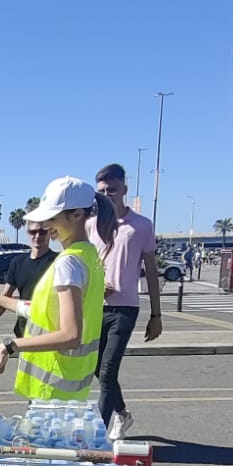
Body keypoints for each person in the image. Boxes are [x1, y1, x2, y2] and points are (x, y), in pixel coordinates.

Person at [0, 178, 115, 403]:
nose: (46, 225)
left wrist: (11, 345)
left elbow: (70, 335)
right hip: (70, 384)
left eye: (52, 218)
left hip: (53, 387)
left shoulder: (68, 262)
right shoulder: (89, 256)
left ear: (77, 215)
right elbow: (42, 310)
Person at [89, 163, 162, 438]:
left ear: (124, 191)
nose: (108, 196)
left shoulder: (140, 226)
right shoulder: (90, 225)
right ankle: (121, 412)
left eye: (113, 190)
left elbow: (152, 273)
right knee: (97, 368)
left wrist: (156, 316)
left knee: (108, 372)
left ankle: (96, 437)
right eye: (102, 192)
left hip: (126, 308)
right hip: (96, 307)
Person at [0, 221, 56, 380]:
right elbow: (6, 295)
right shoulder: (18, 263)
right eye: (33, 232)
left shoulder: (58, 262)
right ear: (27, 233)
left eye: (42, 232)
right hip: (25, 332)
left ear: (50, 233)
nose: (37, 236)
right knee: (31, 387)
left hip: (50, 334)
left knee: (47, 388)